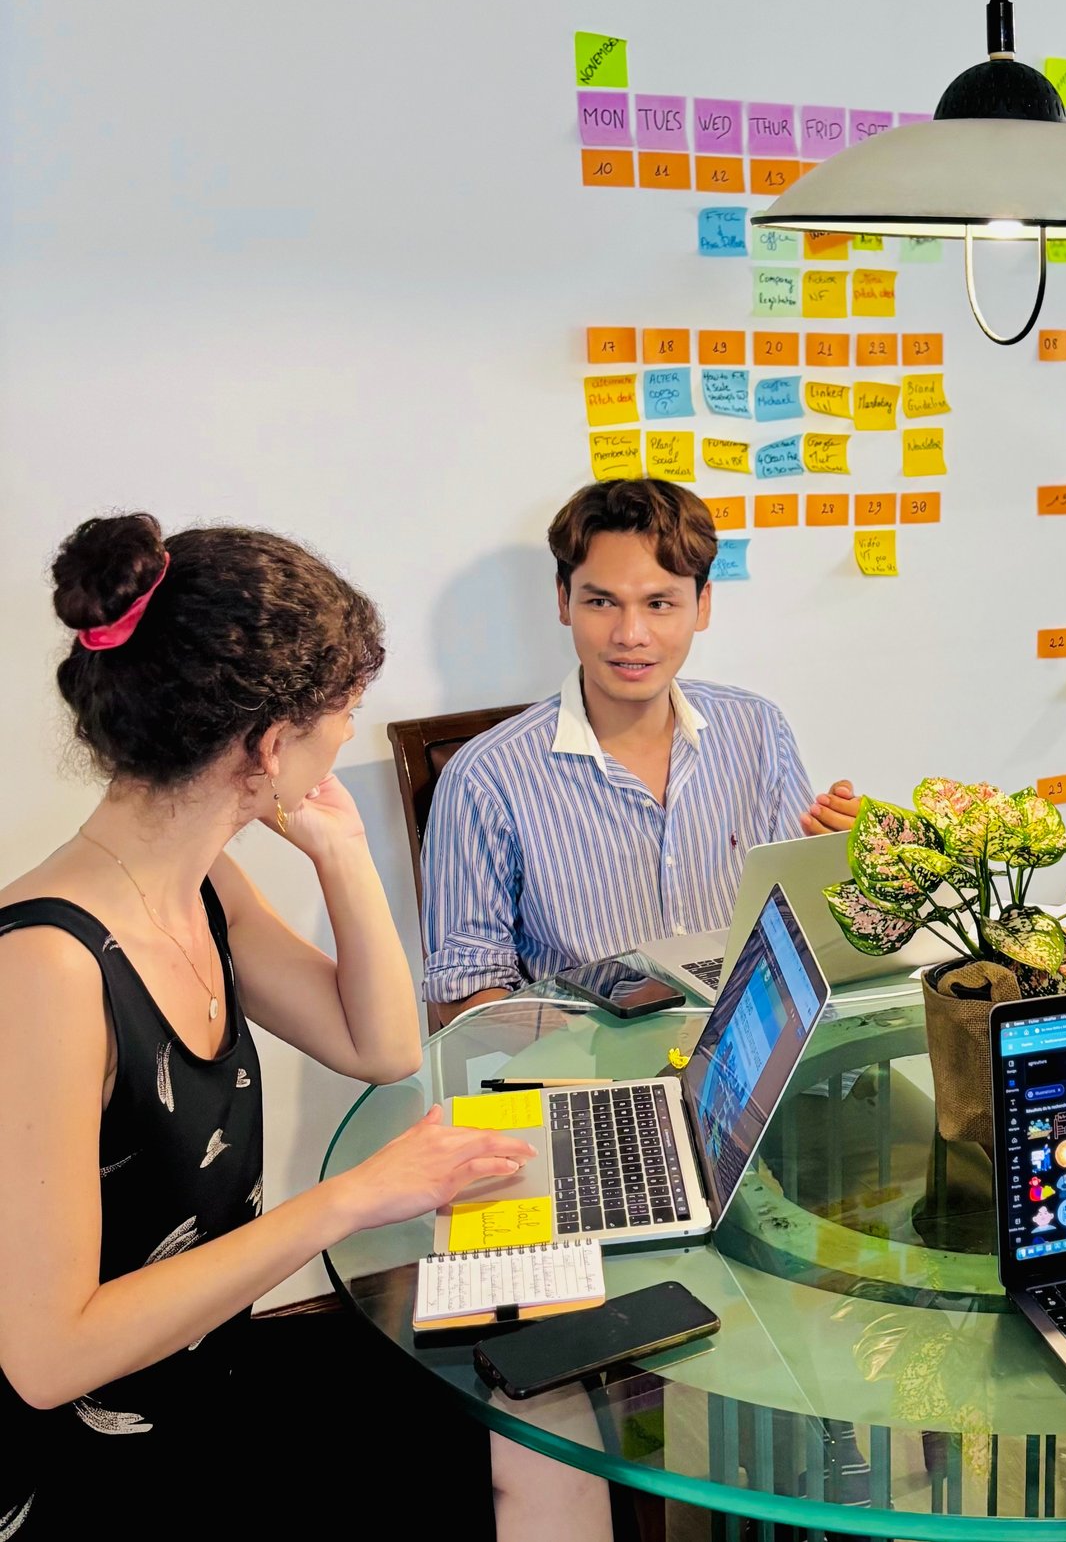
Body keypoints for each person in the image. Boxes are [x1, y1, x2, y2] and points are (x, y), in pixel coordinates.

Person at [0, 513, 623, 1539]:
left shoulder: (202, 882)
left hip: (214, 1368)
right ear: (271, 742)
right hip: (98, 1457)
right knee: (504, 1425)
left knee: (540, 1390)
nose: (348, 734)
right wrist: (349, 1200)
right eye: (344, 713)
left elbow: (376, 1044)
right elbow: (47, 1355)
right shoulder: (45, 968)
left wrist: (340, 850)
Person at [421, 479, 858, 1023]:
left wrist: (849, 861)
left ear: (701, 605)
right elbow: (462, 994)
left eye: (659, 603)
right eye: (602, 601)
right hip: (582, 1072)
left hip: (752, 1052)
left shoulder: (757, 728)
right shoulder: (484, 778)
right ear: (564, 601)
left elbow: (799, 926)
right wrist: (587, 1060)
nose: (631, 634)